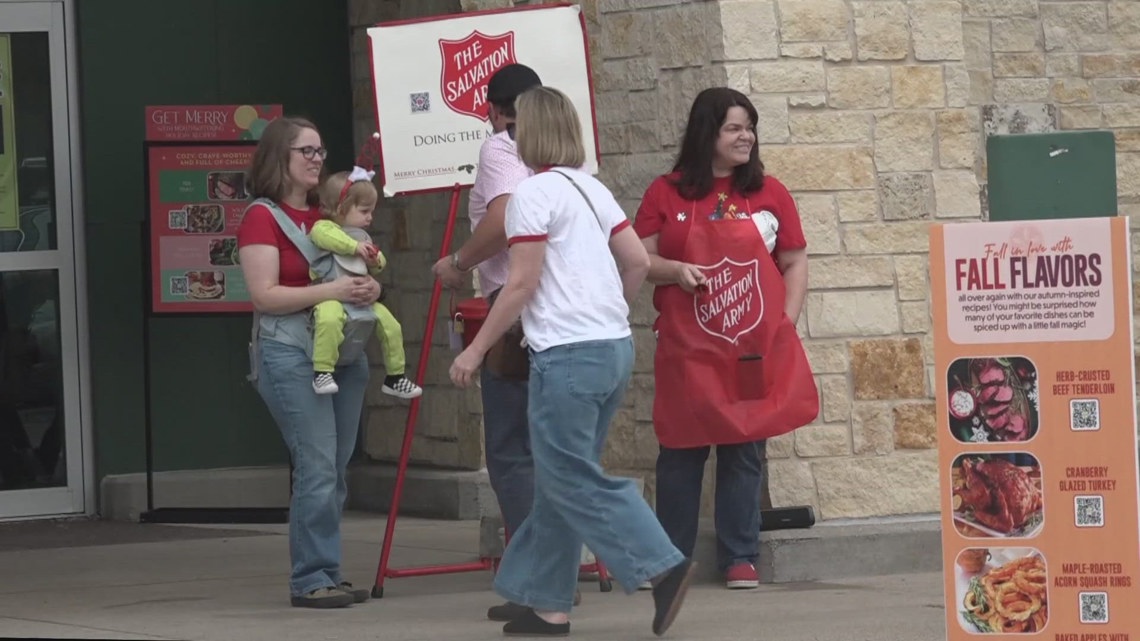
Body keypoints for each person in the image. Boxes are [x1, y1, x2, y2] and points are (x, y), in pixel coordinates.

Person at [449, 86, 696, 638]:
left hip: (566, 356)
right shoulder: (592, 189)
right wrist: (606, 309)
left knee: (569, 476)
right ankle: (545, 605)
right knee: (559, 480)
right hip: (612, 348)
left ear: (529, 135)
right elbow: (635, 260)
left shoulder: (532, 195)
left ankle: (663, 565)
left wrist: (475, 348)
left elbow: (520, 283)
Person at [633, 87, 819, 591]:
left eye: (750, 127)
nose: (746, 137)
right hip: (686, 347)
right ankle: (670, 558)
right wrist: (675, 270)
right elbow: (639, 259)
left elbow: (795, 259)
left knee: (743, 446)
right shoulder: (665, 193)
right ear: (706, 133)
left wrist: (785, 323)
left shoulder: (769, 192)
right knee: (681, 448)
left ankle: (740, 555)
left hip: (750, 346)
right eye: (734, 127)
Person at [237, 116, 382, 609]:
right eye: (307, 151)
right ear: (280, 157)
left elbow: (355, 266)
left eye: (321, 151)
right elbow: (264, 294)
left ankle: (327, 570)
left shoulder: (328, 213)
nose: (318, 159)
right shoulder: (261, 216)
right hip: (289, 350)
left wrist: (368, 288)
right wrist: (334, 290)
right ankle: (310, 578)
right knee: (317, 463)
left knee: (335, 468)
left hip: (345, 349)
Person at [431, 63, 557, 622]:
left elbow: (504, 215)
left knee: (510, 449)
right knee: (550, 448)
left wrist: (458, 261)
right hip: (565, 311)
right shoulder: (564, 157)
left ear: (497, 108)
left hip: (515, 306)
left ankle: (537, 580)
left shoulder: (500, 148)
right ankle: (552, 575)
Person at [308, 167, 422, 399]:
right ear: (341, 208)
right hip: (330, 295)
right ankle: (322, 370)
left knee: (391, 326)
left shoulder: (362, 236)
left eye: (372, 211)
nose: (370, 217)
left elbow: (379, 264)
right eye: (364, 211)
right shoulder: (325, 228)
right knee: (328, 320)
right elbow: (326, 238)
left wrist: (374, 258)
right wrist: (354, 247)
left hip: (360, 298)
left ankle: (395, 376)